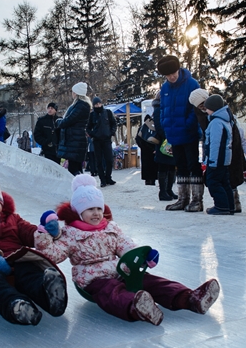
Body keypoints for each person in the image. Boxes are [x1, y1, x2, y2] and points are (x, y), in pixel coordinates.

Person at [35, 174, 220, 326]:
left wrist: (144, 256)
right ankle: (136, 307)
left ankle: (190, 298)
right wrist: (45, 237)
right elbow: (53, 255)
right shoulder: (69, 234)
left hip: (120, 272)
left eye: (99, 208)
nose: (96, 213)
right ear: (79, 212)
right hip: (93, 280)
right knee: (111, 291)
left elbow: (126, 247)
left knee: (151, 281)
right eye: (90, 209)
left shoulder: (110, 228)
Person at [0, 173, 68, 326]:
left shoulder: (13, 219)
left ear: (2, 203)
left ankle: (50, 297)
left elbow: (28, 232)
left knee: (30, 272)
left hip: (16, 260)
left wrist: (44, 232)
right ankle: (16, 306)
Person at [156, 55, 204, 212]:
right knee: (180, 166)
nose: (171, 77)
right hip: (173, 134)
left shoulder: (191, 83)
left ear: (178, 69)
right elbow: (163, 108)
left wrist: (188, 124)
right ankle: (183, 199)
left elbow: (195, 108)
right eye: (168, 75)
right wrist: (165, 125)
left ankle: (197, 200)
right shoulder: (165, 88)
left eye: (173, 73)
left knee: (193, 165)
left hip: (188, 133)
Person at [198, 95, 234, 215]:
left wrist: (212, 161)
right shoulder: (226, 120)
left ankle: (221, 206)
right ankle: (230, 205)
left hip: (217, 158)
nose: (205, 110)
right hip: (225, 159)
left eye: (207, 108)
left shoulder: (216, 123)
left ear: (213, 108)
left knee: (213, 182)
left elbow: (215, 143)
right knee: (224, 182)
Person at [57, 82, 92, 175]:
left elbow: (70, 120)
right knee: (75, 168)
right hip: (74, 140)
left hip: (75, 141)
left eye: (73, 92)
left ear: (76, 93)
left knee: (74, 169)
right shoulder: (80, 105)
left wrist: (58, 122)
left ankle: (80, 187)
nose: (72, 93)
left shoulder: (81, 105)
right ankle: (80, 187)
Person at [86, 97, 117, 187]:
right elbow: (88, 128)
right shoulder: (92, 115)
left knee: (109, 160)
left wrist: (111, 133)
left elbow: (114, 124)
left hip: (107, 140)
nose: (98, 105)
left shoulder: (107, 113)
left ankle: (108, 177)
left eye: (99, 104)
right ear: (94, 105)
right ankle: (102, 179)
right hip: (97, 141)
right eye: (96, 104)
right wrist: (92, 134)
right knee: (99, 161)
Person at [152, 95, 178, 201]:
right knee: (163, 167)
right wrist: (168, 137)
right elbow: (159, 127)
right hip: (163, 142)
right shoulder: (158, 109)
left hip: (171, 141)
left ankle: (169, 190)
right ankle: (162, 192)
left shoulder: (170, 109)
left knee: (172, 166)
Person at [135, 115, 159, 186]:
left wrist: (143, 147)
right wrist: (154, 149)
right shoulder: (154, 128)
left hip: (145, 152)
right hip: (153, 151)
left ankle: (147, 181)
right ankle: (153, 181)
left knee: (146, 167)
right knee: (153, 167)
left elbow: (137, 139)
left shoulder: (142, 128)